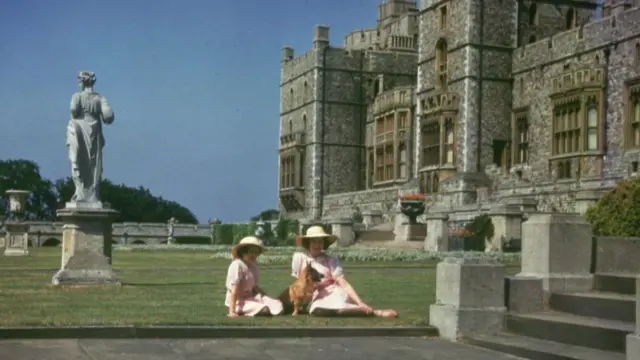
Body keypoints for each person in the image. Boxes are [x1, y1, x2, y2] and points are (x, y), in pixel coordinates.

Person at [291, 225, 398, 318]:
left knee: (337, 307)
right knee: (317, 310)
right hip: (315, 296)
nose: (317, 245)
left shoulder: (331, 260)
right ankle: (344, 311)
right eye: (314, 241)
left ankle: (372, 312)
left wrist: (360, 302)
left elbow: (344, 283)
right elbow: (298, 286)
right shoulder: (300, 258)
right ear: (308, 243)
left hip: (332, 292)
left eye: (320, 241)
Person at [225, 236, 283, 317]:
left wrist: (266, 297)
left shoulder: (254, 267)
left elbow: (254, 287)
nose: (253, 255)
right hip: (239, 301)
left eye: (256, 252)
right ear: (243, 252)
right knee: (264, 310)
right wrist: (232, 311)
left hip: (251, 298)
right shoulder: (237, 265)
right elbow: (234, 290)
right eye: (250, 252)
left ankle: (261, 306)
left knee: (278, 305)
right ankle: (242, 310)